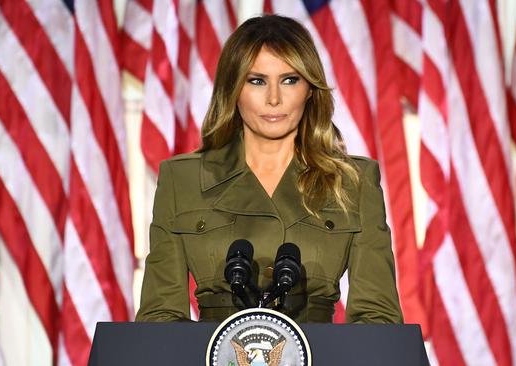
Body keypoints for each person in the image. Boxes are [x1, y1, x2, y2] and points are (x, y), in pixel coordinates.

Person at [136, 14, 402, 324]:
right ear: (233, 88)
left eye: (290, 80)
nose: (274, 99)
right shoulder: (181, 179)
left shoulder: (354, 182)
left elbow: (378, 319)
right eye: (257, 81)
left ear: (310, 90)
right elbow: (159, 317)